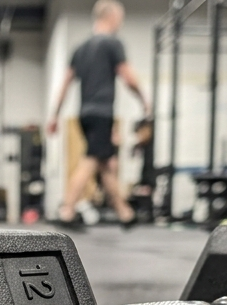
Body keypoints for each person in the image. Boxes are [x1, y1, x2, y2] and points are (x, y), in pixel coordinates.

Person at [47, 0, 149, 226]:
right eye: (120, 18)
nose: (120, 23)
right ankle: (67, 210)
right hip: (102, 113)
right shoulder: (112, 44)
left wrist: (54, 115)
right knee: (91, 159)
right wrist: (143, 98)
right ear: (111, 16)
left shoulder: (80, 48)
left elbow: (65, 83)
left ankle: (125, 213)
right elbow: (128, 76)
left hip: (84, 114)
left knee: (106, 163)